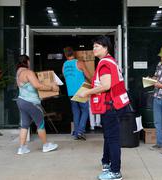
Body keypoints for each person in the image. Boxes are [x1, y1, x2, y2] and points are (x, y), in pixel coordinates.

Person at [78, 36, 130, 180]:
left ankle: (115, 172)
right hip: (116, 104)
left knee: (112, 139)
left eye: (97, 46)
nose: (94, 48)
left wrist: (87, 92)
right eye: (93, 46)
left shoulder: (105, 64)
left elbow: (106, 86)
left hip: (110, 106)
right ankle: (106, 163)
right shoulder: (111, 61)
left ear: (106, 48)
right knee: (109, 136)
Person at [16, 55, 59, 155]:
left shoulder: (18, 73)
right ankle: (46, 145)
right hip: (31, 102)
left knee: (24, 125)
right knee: (40, 123)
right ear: (27, 61)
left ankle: (22, 148)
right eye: (29, 61)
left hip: (21, 100)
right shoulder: (28, 72)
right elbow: (37, 85)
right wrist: (52, 88)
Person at [62, 47, 92, 140]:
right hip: (81, 91)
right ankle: (80, 131)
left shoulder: (64, 65)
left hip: (70, 92)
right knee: (85, 110)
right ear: (74, 54)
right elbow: (88, 76)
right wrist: (95, 84)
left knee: (76, 112)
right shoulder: (79, 63)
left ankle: (76, 133)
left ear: (65, 55)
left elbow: (65, 77)